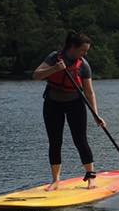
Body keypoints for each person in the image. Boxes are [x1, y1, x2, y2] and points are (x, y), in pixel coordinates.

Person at [32, 32, 106, 191]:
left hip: (75, 104)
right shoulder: (54, 58)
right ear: (72, 47)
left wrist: (96, 115)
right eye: (83, 51)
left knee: (80, 140)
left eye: (86, 51)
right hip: (53, 104)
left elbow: (89, 92)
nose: (85, 54)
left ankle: (90, 177)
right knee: (55, 141)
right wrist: (54, 69)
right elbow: (36, 75)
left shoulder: (83, 65)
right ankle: (55, 180)